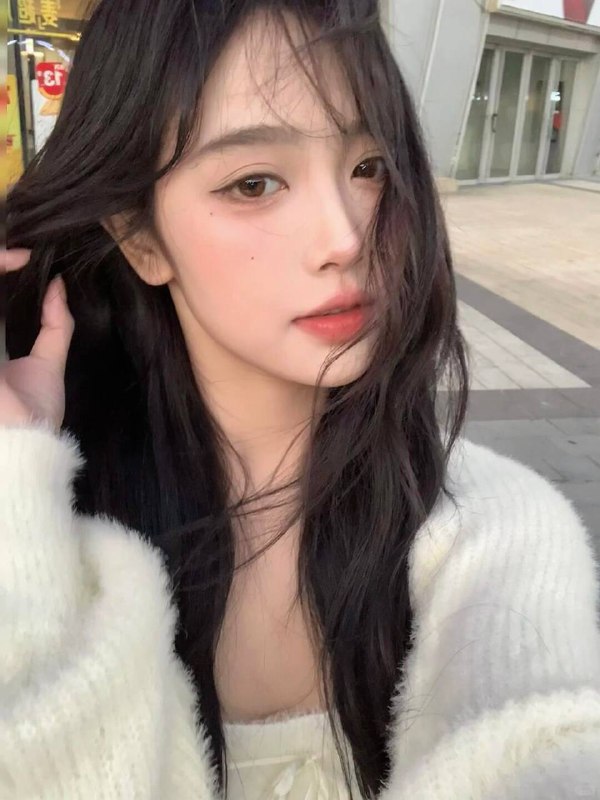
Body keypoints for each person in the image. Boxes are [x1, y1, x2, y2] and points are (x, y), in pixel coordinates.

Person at [2, 1, 600, 798]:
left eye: (370, 167)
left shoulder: (495, 533)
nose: (345, 237)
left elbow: (541, 745)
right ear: (140, 237)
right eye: (254, 183)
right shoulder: (37, 537)